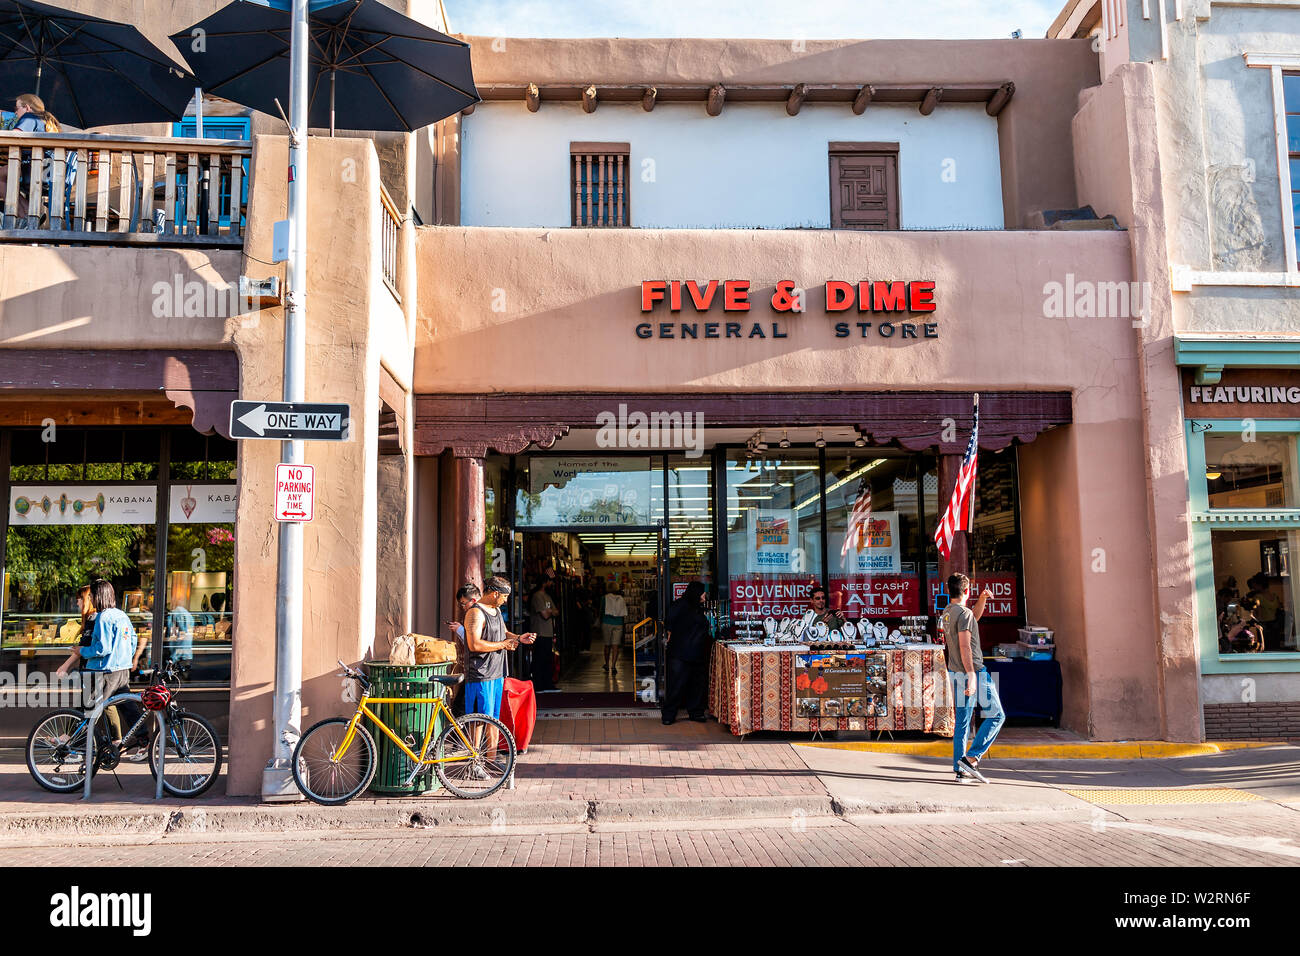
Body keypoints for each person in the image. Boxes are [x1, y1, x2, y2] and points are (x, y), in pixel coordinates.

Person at [940, 572, 1004, 784]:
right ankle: (971, 758)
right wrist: (972, 676)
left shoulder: (949, 612)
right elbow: (965, 645)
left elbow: (972, 619)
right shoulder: (963, 614)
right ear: (966, 590)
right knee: (996, 715)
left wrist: (982, 600)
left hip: (955, 671)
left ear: (950, 590)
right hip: (972, 671)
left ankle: (961, 768)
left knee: (963, 722)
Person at [77, 579, 144, 756]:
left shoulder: (103, 617)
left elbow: (102, 648)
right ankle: (145, 740)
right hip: (122, 670)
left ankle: (76, 747)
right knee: (127, 706)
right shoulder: (122, 615)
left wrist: (82, 650)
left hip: (104, 670)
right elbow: (133, 640)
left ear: (99, 596)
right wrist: (126, 659)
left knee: (89, 710)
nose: (90, 599)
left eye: (91, 596)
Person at [462, 576, 535, 721]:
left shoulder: (496, 610)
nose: (506, 600)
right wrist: (504, 644)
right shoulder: (475, 613)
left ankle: (492, 746)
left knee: (495, 720)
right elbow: (474, 644)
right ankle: (475, 746)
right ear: (495, 594)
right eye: (505, 596)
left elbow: (503, 632)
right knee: (479, 721)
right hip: (480, 675)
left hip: (498, 672)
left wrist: (518, 638)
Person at [661, 581, 713, 725]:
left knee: (695, 684)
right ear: (696, 593)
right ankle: (669, 714)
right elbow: (669, 625)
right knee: (677, 685)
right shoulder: (680, 606)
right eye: (703, 593)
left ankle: (695, 712)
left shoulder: (695, 607)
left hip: (694, 652)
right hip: (680, 653)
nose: (704, 596)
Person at [529, 569, 559, 691]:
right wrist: (551, 611)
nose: (551, 584)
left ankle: (547, 683)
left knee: (547, 659)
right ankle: (539, 684)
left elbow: (556, 611)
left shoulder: (546, 596)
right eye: (550, 581)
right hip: (539, 632)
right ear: (544, 582)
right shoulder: (537, 596)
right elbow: (545, 615)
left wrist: (550, 611)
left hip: (548, 632)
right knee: (540, 659)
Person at [601, 585, 628, 675]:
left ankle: (606, 664)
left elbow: (601, 610)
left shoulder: (604, 598)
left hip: (607, 622)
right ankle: (613, 666)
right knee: (615, 646)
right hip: (618, 623)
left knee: (607, 645)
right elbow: (624, 611)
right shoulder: (621, 598)